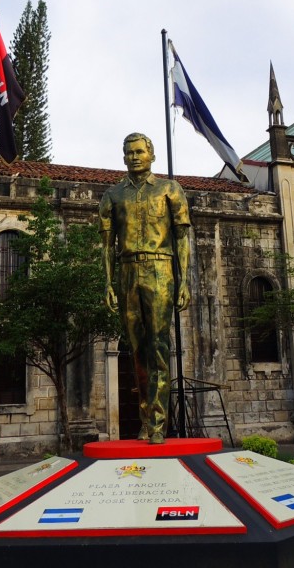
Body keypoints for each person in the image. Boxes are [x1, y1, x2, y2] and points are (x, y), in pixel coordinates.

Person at [99, 132, 191, 444]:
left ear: (151, 155)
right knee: (136, 352)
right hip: (126, 272)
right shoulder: (113, 195)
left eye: (140, 151)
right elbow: (106, 245)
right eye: (129, 152)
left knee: (159, 349)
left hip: (160, 269)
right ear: (123, 156)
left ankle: (158, 425)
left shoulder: (169, 190)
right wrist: (107, 284)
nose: (135, 157)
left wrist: (184, 282)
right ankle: (144, 421)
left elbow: (181, 238)